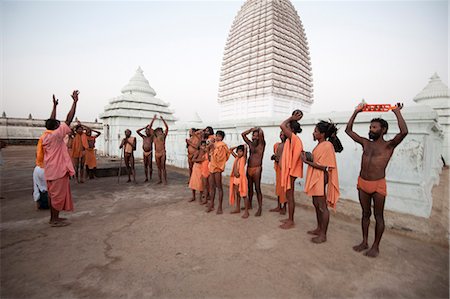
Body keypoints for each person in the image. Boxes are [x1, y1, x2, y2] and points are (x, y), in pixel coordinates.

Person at [345, 103, 408, 257]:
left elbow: (404, 131)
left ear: (383, 130)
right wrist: (356, 111)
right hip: (363, 183)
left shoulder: (389, 146)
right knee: (365, 214)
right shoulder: (366, 143)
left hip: (378, 184)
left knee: (378, 216)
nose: (371, 130)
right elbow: (348, 130)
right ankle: (364, 241)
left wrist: (397, 112)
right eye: (370, 127)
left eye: (374, 127)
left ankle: (376, 246)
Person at [41, 90, 79, 227]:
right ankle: (54, 220)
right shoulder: (56, 136)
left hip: (50, 170)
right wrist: (75, 102)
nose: (60, 125)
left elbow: (51, 122)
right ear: (57, 128)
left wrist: (55, 107)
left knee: (53, 195)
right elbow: (69, 119)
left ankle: (54, 217)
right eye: (58, 124)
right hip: (58, 171)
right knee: (57, 196)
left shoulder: (47, 135)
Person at [302, 120, 343, 243]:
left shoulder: (327, 145)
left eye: (316, 131)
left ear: (323, 134)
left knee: (322, 206)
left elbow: (324, 166)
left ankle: (323, 235)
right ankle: (319, 228)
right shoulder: (320, 145)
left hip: (320, 177)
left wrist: (306, 161)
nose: (313, 133)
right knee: (316, 204)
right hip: (316, 176)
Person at [279, 110, 304, 229]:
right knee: (289, 196)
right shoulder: (292, 139)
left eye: (288, 128)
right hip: (290, 171)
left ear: (292, 130)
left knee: (290, 196)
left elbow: (282, 125)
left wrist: (291, 118)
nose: (285, 130)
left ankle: (291, 221)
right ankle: (289, 218)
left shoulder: (294, 138)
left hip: (291, 171)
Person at [241, 127, 266, 216]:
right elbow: (243, 134)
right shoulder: (251, 144)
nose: (254, 137)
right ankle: (250, 204)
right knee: (250, 188)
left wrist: (258, 129)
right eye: (253, 136)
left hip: (257, 169)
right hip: (249, 168)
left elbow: (261, 134)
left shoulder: (262, 144)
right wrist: (251, 130)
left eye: (256, 136)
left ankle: (260, 208)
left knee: (257, 188)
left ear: (259, 137)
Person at [207, 130, 230, 214]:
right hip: (211, 167)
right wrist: (210, 148)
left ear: (222, 138)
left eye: (219, 136)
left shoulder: (222, 146)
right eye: (216, 135)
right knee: (211, 187)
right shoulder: (213, 144)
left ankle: (220, 207)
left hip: (218, 168)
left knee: (219, 187)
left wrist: (213, 148)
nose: (217, 137)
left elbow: (221, 159)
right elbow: (209, 157)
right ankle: (211, 205)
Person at [229, 145, 249, 218]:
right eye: (238, 151)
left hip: (241, 179)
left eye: (241, 151)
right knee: (237, 194)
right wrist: (237, 146)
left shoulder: (243, 158)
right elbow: (230, 150)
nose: (239, 153)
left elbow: (245, 154)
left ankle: (247, 211)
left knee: (243, 195)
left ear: (243, 152)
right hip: (235, 178)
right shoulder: (237, 158)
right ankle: (237, 208)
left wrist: (245, 148)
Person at [270, 131, 287, 215]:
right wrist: (274, 157)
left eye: (283, 134)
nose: (281, 136)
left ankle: (284, 207)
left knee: (284, 188)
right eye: (280, 134)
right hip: (278, 169)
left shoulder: (288, 145)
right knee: (278, 188)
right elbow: (276, 154)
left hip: (284, 170)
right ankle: (278, 206)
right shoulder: (277, 145)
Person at [137, 116, 156, 182]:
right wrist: (144, 127)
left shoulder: (151, 137)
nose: (147, 132)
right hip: (144, 152)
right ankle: (146, 177)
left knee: (150, 165)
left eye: (148, 131)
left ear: (150, 132)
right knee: (145, 165)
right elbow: (137, 131)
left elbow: (150, 128)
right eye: (146, 131)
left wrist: (153, 120)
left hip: (149, 152)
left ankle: (150, 176)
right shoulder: (144, 137)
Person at [151, 115, 169, 184]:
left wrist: (163, 119)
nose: (160, 132)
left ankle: (165, 180)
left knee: (163, 167)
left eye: (161, 131)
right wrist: (153, 119)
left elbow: (167, 128)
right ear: (156, 132)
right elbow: (150, 128)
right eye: (159, 131)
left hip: (162, 153)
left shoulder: (163, 136)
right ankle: (160, 180)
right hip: (157, 153)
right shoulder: (154, 137)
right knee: (159, 168)